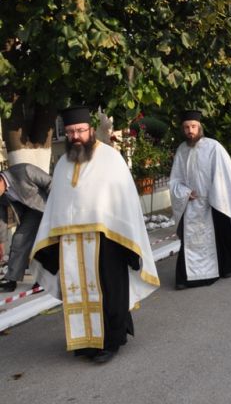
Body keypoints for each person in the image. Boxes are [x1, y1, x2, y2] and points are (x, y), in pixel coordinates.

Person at [31, 106, 159, 363]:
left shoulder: (111, 159)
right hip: (71, 243)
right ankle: (86, 343)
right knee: (77, 291)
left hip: (107, 240)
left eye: (79, 130)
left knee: (109, 291)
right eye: (70, 132)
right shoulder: (63, 165)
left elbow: (124, 200)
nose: (75, 136)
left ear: (90, 130)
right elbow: (57, 203)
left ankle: (110, 343)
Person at [169, 110, 231, 289]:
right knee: (190, 241)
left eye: (193, 127)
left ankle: (226, 267)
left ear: (199, 127)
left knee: (221, 235)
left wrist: (215, 196)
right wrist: (184, 192)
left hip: (214, 202)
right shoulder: (181, 150)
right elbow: (175, 180)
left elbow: (224, 177)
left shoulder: (214, 147)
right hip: (190, 203)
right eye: (186, 127)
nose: (190, 131)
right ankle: (185, 277)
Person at [0, 164, 51, 292]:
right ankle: (11, 279)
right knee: (19, 239)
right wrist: (1, 242)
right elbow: (2, 219)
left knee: (44, 245)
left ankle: (44, 281)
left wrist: (56, 209)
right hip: (31, 214)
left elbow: (51, 183)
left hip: (49, 209)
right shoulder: (2, 195)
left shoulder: (25, 170)